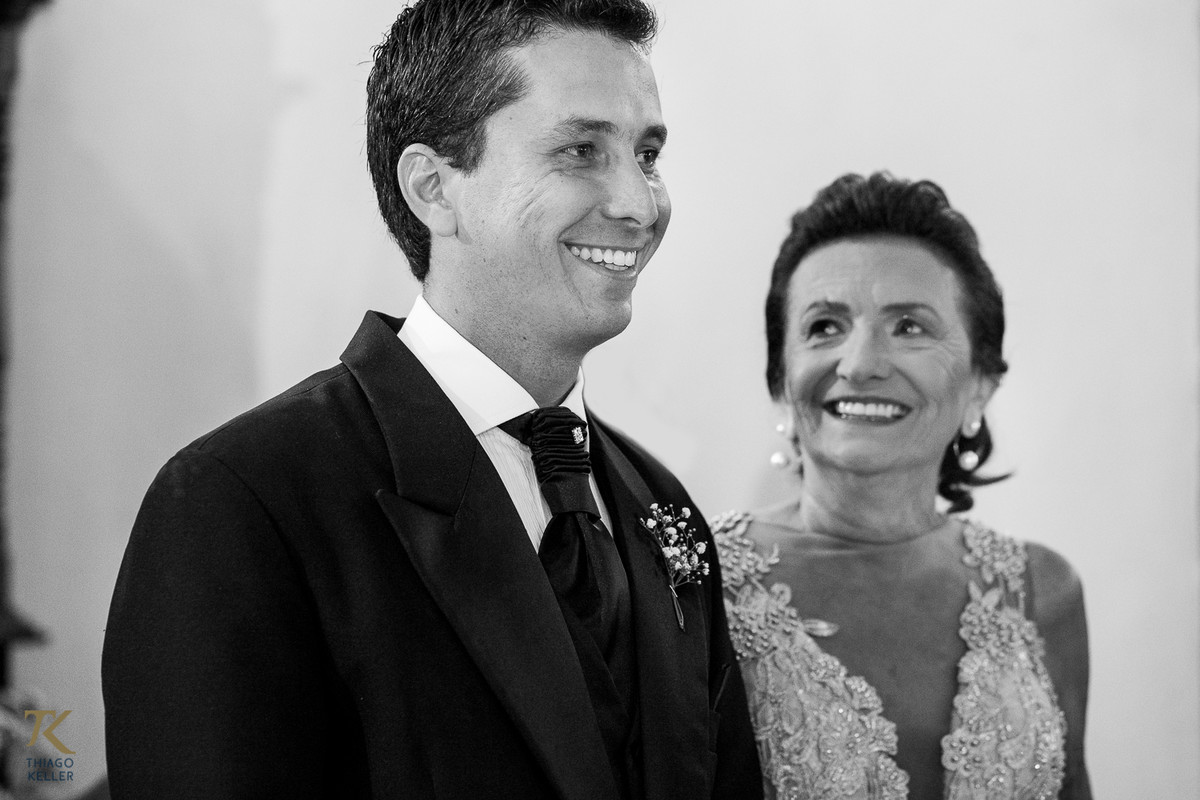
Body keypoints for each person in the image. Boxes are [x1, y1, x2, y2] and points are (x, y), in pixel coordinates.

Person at [101, 1, 762, 798]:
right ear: (433, 188)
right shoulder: (242, 502)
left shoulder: (661, 506)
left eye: (647, 154)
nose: (639, 203)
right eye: (581, 150)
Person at [713, 172, 1091, 799]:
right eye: (825, 326)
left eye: (910, 326)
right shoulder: (697, 588)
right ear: (781, 381)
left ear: (980, 384)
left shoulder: (1042, 593)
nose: (859, 364)